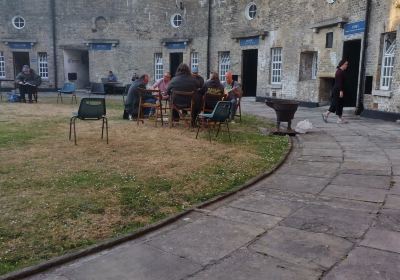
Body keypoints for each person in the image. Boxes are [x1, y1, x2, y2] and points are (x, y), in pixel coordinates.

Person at [322, 59, 349, 124]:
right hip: (338, 90)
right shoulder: (339, 72)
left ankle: (327, 114)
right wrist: (341, 91)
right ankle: (339, 119)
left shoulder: (340, 71)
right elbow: (339, 83)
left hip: (337, 90)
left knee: (336, 103)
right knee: (338, 104)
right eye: (346, 64)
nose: (347, 66)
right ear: (342, 64)